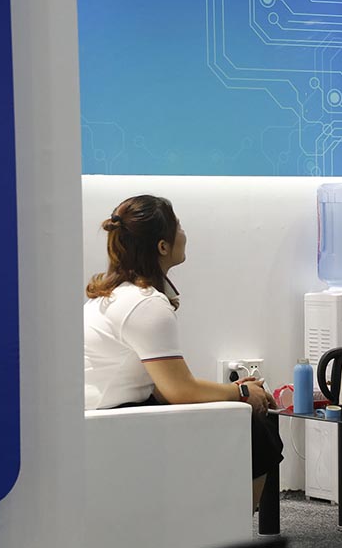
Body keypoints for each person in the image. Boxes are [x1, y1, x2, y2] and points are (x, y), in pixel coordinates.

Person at [83, 195, 282, 510]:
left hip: (103, 419)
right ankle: (235, 520)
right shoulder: (145, 303)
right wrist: (243, 393)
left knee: (240, 412)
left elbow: (168, 386)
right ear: (162, 246)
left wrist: (234, 392)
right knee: (256, 425)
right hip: (118, 424)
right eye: (179, 226)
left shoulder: (112, 297)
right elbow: (179, 390)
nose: (184, 233)